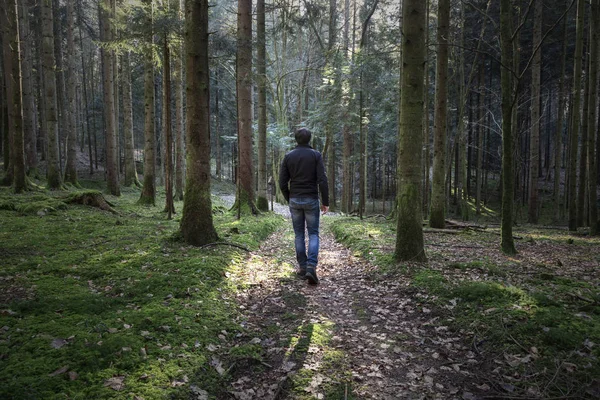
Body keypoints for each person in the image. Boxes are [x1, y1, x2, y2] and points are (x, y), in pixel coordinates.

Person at [279, 128, 329, 284]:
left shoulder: (288, 156)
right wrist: (325, 201)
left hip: (295, 199)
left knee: (299, 234)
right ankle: (311, 267)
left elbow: (282, 183)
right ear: (309, 139)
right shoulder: (316, 155)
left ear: (296, 139)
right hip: (311, 198)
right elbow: (322, 179)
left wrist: (289, 198)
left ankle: (302, 267)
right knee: (313, 234)